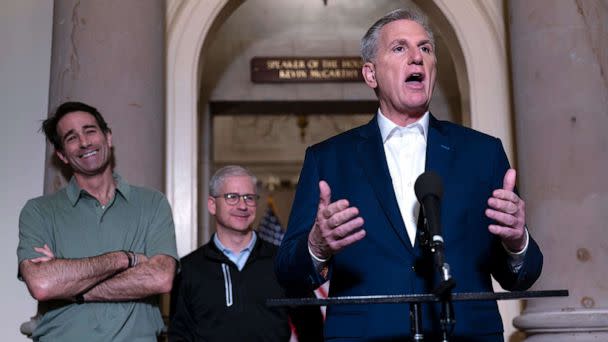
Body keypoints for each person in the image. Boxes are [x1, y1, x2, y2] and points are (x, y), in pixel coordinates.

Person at [275, 8, 543, 341]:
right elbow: (287, 272)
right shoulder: (328, 159)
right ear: (370, 75)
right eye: (400, 48)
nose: (417, 57)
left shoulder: (482, 154)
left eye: (426, 49)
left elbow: (522, 275)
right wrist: (317, 245)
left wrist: (516, 243)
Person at [17, 101, 178, 341]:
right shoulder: (39, 211)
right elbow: (42, 284)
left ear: (108, 138)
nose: (84, 142)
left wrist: (72, 286)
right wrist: (125, 259)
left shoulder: (152, 203)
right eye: (71, 138)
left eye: (90, 131)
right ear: (62, 154)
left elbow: (160, 278)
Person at [169, 165, 323, 342]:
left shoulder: (283, 262)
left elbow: (313, 328)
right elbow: (179, 336)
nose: (242, 205)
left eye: (249, 198)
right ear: (212, 205)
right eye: (232, 197)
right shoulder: (188, 269)